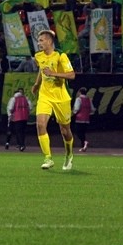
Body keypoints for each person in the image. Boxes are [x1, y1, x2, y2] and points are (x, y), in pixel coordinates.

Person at [31, 29, 76, 170]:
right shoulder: (38, 56)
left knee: (65, 130)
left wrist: (53, 73)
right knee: (40, 124)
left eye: (41, 40)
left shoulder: (61, 56)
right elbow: (41, 70)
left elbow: (72, 75)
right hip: (45, 96)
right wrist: (37, 84)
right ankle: (48, 158)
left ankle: (69, 154)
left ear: (50, 41)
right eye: (38, 41)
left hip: (61, 97)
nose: (39, 43)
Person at [73, 87, 93, 152]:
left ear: (79, 92)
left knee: (78, 132)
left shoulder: (78, 99)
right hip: (86, 119)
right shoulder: (89, 99)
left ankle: (85, 142)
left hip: (79, 119)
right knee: (83, 133)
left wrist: (73, 113)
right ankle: (83, 147)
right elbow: (92, 109)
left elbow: (76, 108)